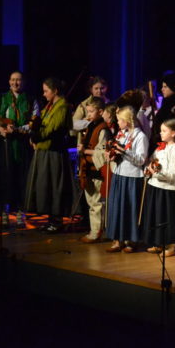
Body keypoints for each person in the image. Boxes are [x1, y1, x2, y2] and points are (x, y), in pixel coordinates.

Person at [0, 71, 39, 222]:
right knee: (4, 176)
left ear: (24, 82)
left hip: (23, 144)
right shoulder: (1, 99)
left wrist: (20, 129)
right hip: (5, 144)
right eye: (13, 80)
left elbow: (35, 121)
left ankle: (21, 211)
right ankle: (4, 212)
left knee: (22, 177)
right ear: (9, 82)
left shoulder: (31, 99)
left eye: (19, 80)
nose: (15, 83)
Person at [25, 77, 72, 232]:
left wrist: (35, 136)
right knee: (47, 185)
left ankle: (57, 221)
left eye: (46, 91)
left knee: (55, 185)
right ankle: (51, 219)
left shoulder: (62, 107)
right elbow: (41, 124)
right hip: (46, 150)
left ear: (55, 91)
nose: (44, 94)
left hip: (54, 152)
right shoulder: (50, 106)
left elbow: (52, 129)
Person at [105, 106, 148, 253]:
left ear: (127, 121)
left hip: (132, 177)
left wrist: (124, 151)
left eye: (119, 120)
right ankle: (118, 239)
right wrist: (112, 154)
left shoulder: (140, 136)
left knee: (130, 208)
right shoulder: (121, 134)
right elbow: (117, 151)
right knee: (117, 207)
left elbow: (141, 160)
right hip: (119, 174)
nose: (117, 123)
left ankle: (131, 240)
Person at [141, 119, 175, 257]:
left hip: (168, 189)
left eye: (164, 131)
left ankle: (170, 245)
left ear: (173, 133)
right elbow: (151, 163)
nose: (161, 133)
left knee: (167, 217)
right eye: (161, 131)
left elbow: (172, 174)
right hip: (155, 186)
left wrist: (156, 173)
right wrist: (148, 169)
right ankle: (158, 242)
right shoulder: (160, 148)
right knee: (156, 215)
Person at [75, 97, 110, 243]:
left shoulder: (103, 129)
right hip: (87, 168)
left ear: (100, 112)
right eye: (87, 111)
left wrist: (85, 151)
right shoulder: (90, 126)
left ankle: (96, 232)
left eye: (91, 111)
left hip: (97, 169)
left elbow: (103, 152)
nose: (88, 114)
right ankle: (95, 230)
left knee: (96, 202)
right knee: (91, 201)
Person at [151, 73, 175, 145]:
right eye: (162, 86)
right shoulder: (165, 103)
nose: (162, 89)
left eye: (165, 87)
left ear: (172, 87)